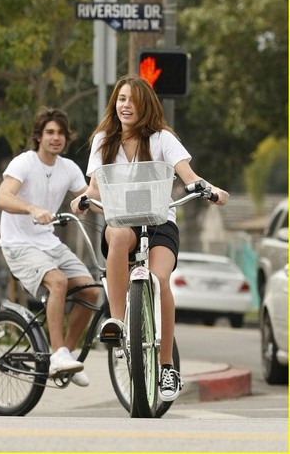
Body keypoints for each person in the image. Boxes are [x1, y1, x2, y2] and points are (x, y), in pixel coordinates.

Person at [71, 75, 229, 401]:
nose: (126, 105)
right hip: (122, 222)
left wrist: (209, 189)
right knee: (116, 237)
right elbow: (95, 187)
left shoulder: (162, 139)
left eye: (133, 100)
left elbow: (188, 175)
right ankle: (116, 322)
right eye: (121, 99)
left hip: (159, 221)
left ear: (146, 106)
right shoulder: (104, 140)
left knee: (159, 279)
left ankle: (168, 366)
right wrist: (84, 198)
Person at [0, 106, 98, 386]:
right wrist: (31, 208)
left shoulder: (69, 168)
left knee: (90, 291)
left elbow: (93, 197)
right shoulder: (24, 163)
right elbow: (2, 198)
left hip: (48, 242)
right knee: (58, 282)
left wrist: (106, 197)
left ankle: (67, 353)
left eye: (61, 133)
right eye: (50, 132)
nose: (56, 138)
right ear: (39, 136)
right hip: (18, 244)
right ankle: (57, 354)